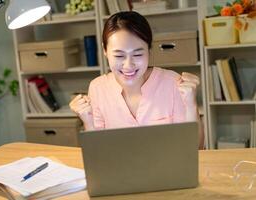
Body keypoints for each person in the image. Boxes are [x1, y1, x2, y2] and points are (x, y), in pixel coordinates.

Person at [70, 11, 204, 149]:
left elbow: (195, 149)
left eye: (138, 54)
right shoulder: (98, 88)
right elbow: (97, 151)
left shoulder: (172, 83)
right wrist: (88, 121)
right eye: (119, 56)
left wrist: (191, 104)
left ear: (149, 50)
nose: (128, 65)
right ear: (105, 50)